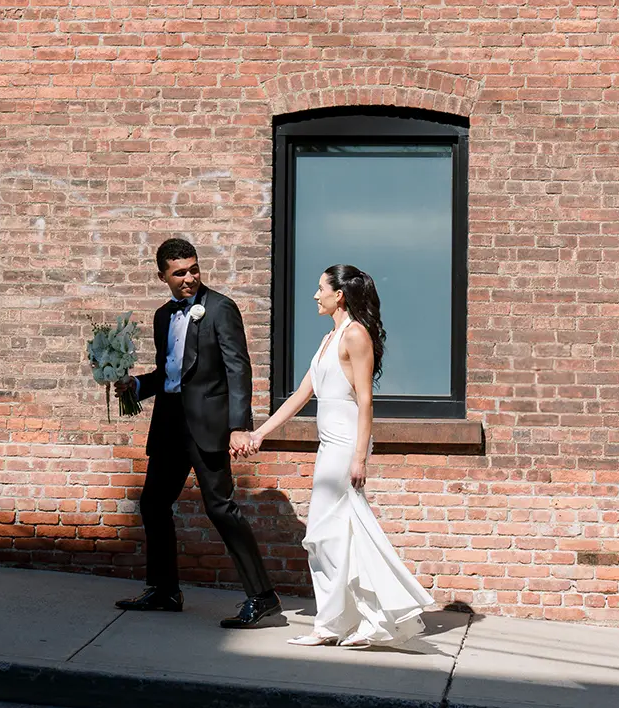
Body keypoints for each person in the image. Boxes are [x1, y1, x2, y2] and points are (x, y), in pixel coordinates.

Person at [242, 264, 433, 649]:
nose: (316, 295)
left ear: (339, 295)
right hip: (329, 443)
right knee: (340, 534)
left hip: (346, 444)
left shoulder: (356, 335)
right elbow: (301, 395)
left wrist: (359, 456)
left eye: (321, 289)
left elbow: (365, 399)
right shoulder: (329, 338)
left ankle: (339, 623)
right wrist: (259, 433)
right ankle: (358, 620)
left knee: (324, 534)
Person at [114, 237, 281, 628]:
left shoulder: (221, 308)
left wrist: (239, 427)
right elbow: (168, 375)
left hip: (208, 426)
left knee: (220, 508)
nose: (189, 278)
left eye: (193, 269)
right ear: (163, 277)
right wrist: (135, 387)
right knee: (153, 504)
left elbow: (238, 368)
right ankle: (164, 590)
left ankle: (263, 596)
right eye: (179, 273)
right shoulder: (162, 317)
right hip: (169, 422)